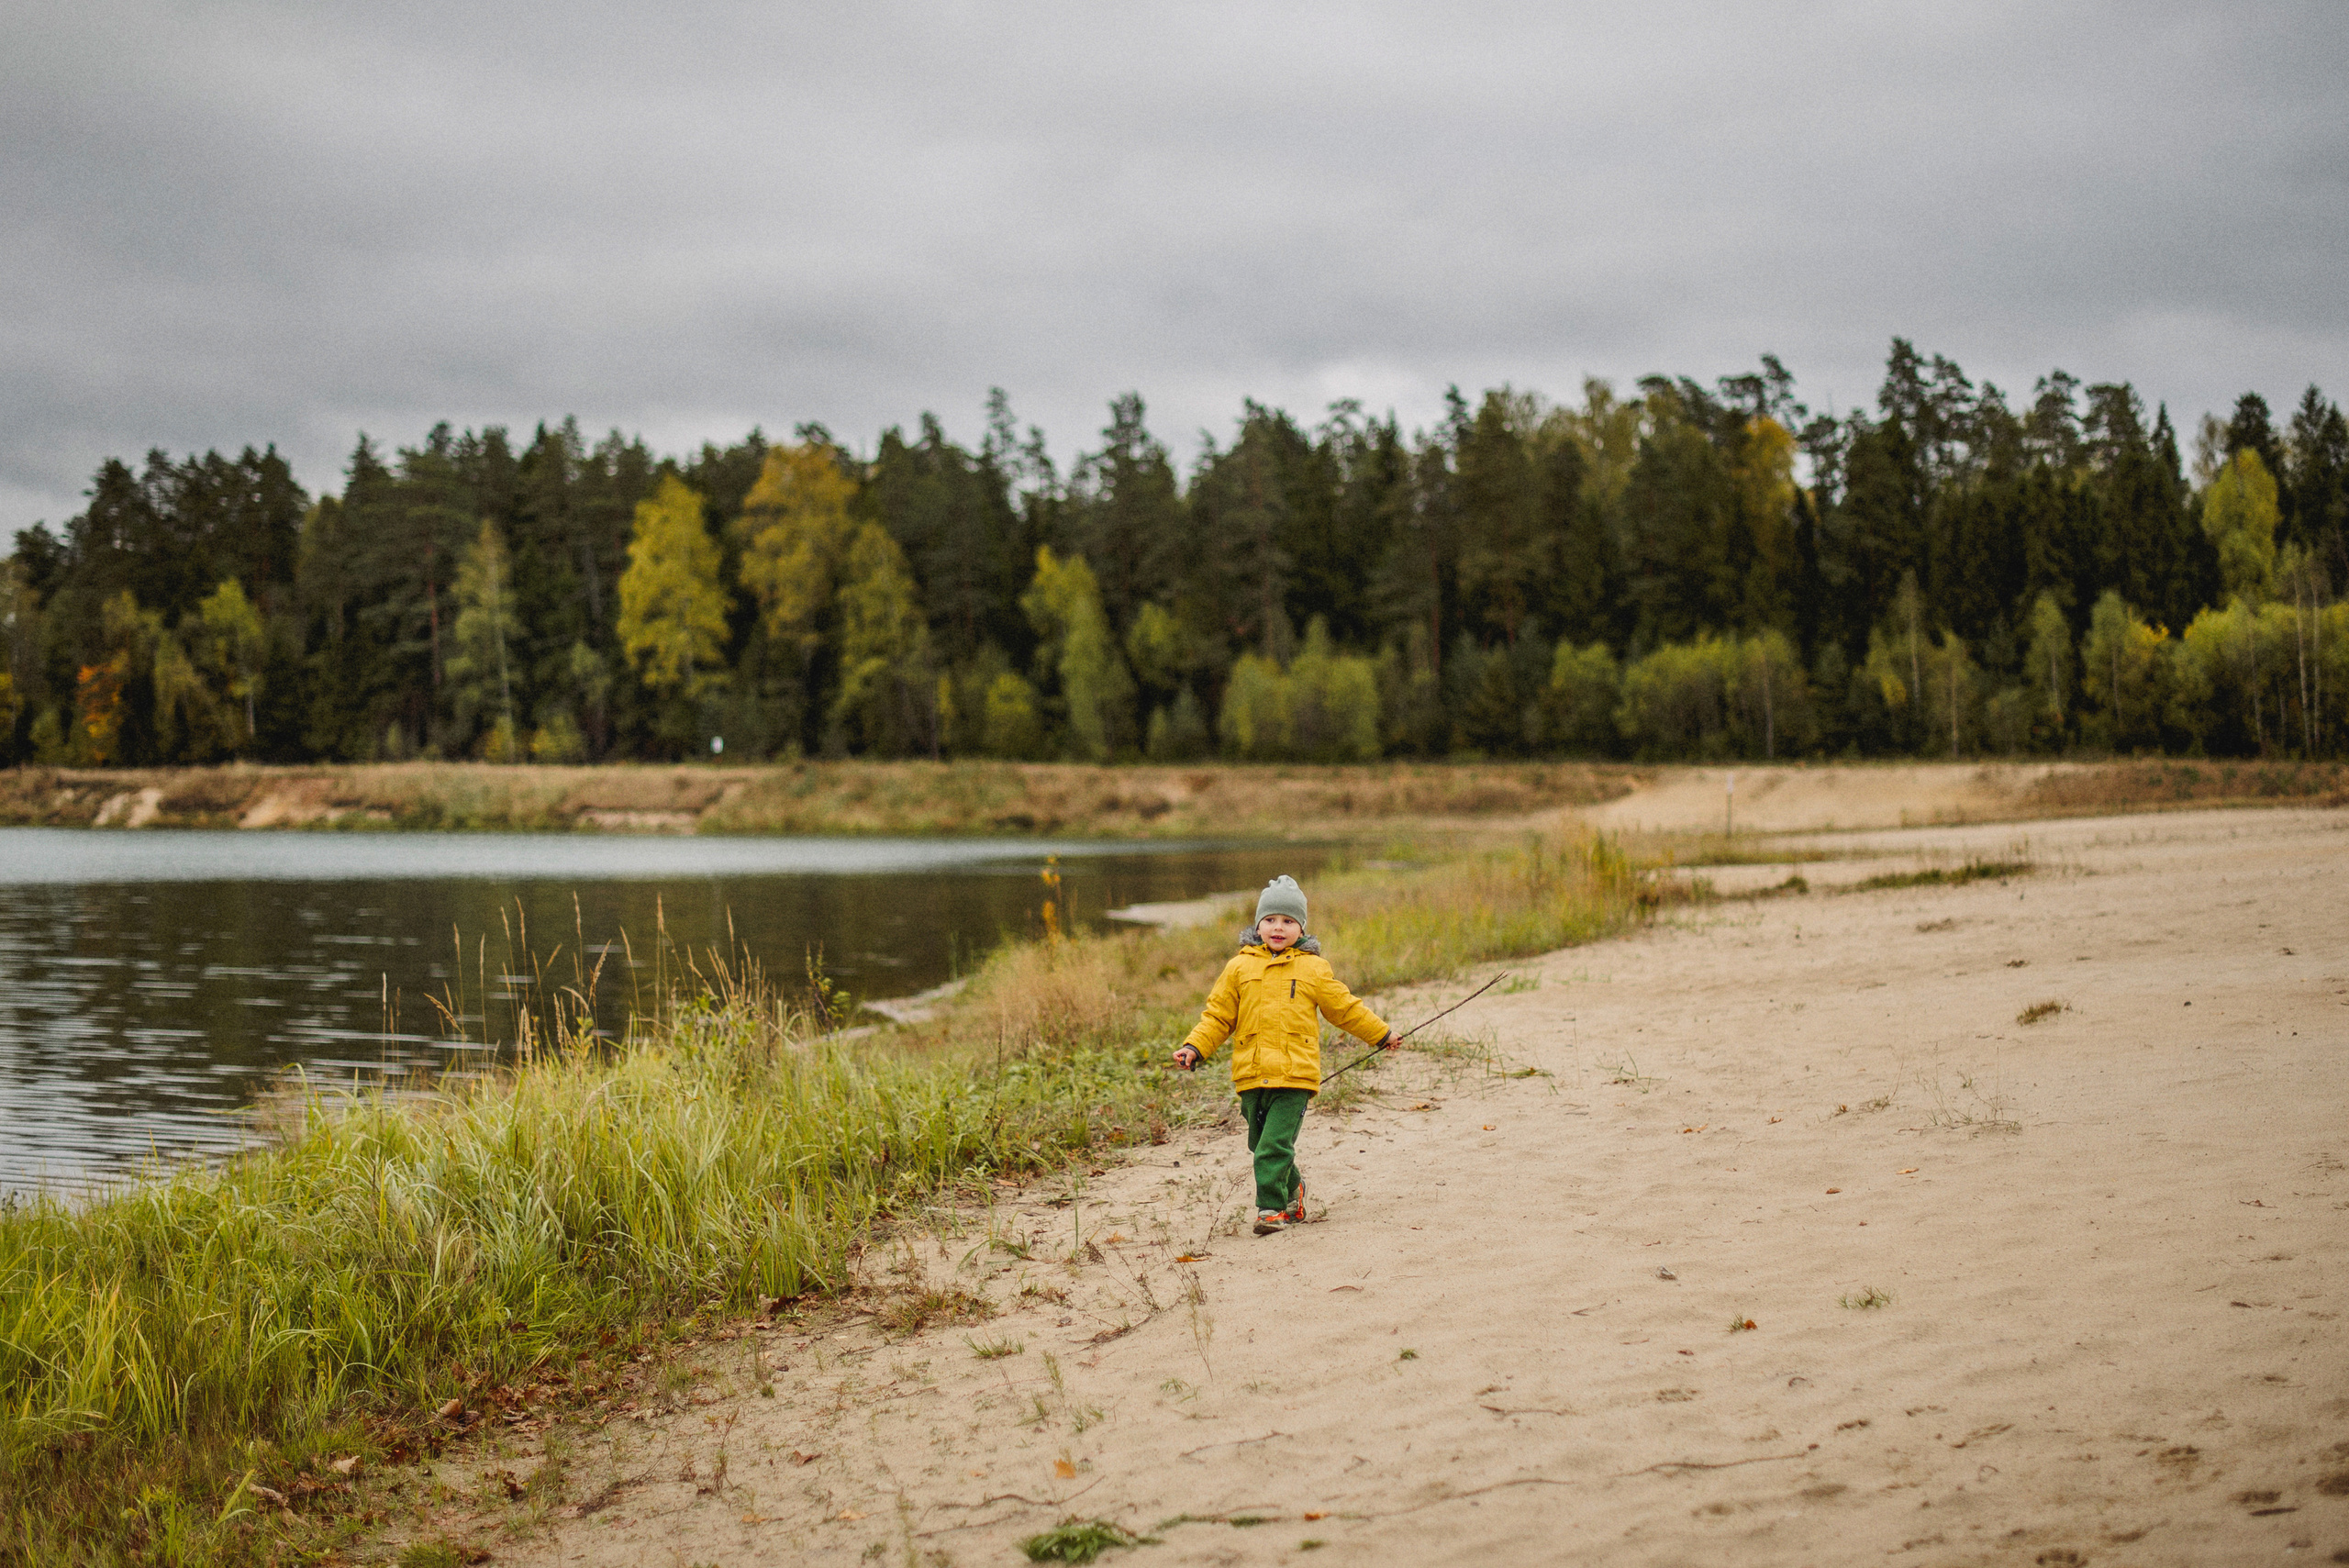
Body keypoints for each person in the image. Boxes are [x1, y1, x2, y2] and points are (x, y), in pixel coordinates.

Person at [1174, 875, 1399, 1236]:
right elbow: (1218, 1016)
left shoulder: (1313, 968)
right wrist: (1194, 1047)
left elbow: (1344, 1008)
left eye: (1288, 921)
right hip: (1250, 1072)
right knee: (1259, 1144)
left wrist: (1381, 1033)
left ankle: (1271, 1209)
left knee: (1273, 1146)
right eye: (1271, 920)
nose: (1278, 927)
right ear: (1258, 925)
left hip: (1295, 1075)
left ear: (1301, 928)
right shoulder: (1238, 967)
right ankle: (1293, 1189)